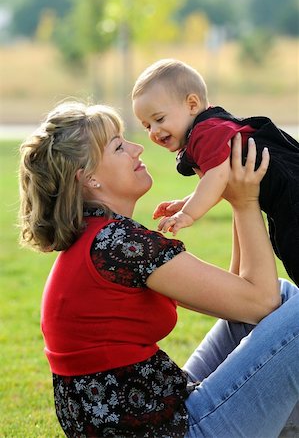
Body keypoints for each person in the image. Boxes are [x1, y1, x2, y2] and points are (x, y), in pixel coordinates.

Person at [18, 100, 299, 438]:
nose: (138, 148)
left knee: (284, 298)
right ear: (89, 177)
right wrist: (245, 202)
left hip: (166, 411)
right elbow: (260, 301)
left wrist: (231, 193)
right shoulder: (119, 245)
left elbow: (245, 301)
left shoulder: (98, 239)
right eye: (119, 146)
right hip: (177, 430)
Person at [132, 58, 299, 287]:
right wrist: (185, 202)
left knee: (292, 246)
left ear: (192, 105)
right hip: (284, 194)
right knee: (286, 246)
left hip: (290, 190)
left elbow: (217, 177)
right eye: (147, 126)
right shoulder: (208, 128)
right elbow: (220, 181)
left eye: (159, 119)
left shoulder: (205, 133)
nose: (154, 131)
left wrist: (188, 214)